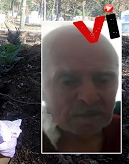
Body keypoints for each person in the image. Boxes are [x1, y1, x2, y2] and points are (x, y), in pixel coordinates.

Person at [41, 25, 121, 153]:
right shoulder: (24, 139)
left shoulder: (119, 130)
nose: (89, 98)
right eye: (68, 82)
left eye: (103, 80)